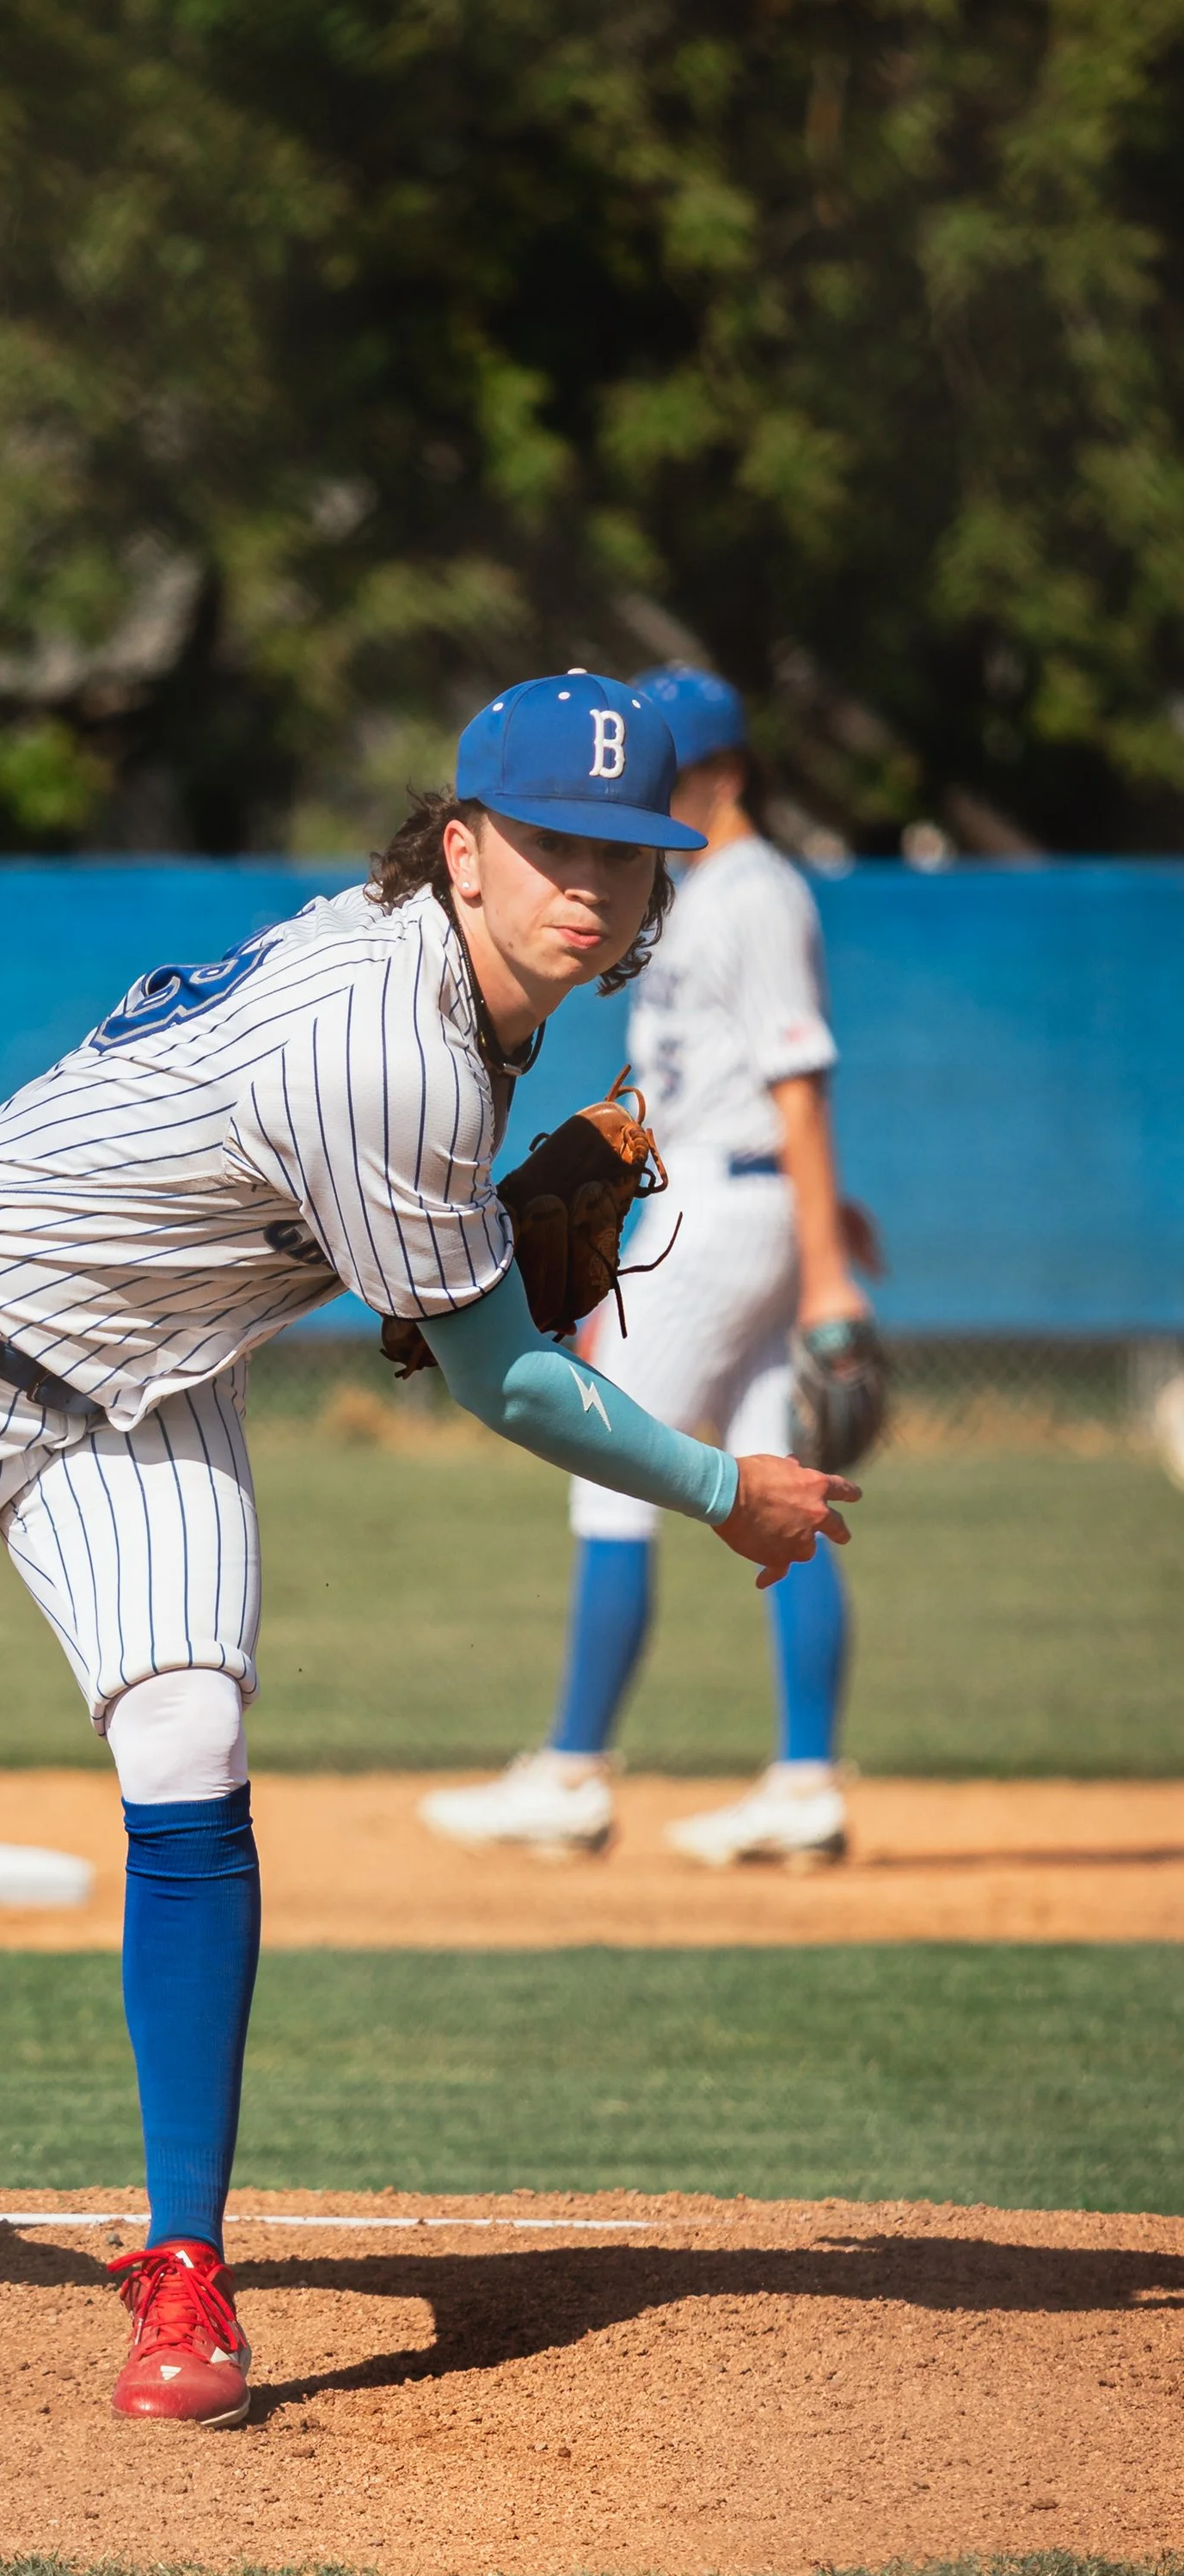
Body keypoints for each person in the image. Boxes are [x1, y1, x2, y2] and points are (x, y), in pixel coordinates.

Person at [0, 672, 856, 2426]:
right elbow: (500, 1380)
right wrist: (724, 1487)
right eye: (548, 841)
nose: (588, 880)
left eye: (625, 851)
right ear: (460, 849)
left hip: (150, 1375)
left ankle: (185, 2271)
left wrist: (432, 1262)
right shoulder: (389, 1040)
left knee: (189, 1728)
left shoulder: (465, 994)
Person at [422, 663, 881, 1872]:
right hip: (734, 1195)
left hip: (728, 1209)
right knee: (783, 1480)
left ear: (721, 774)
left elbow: (796, 1081)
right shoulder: (701, 890)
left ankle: (573, 1773)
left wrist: (825, 1270)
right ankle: (806, 1783)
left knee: (610, 1463)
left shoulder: (754, 894)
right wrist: (821, 1220)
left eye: (665, 772)